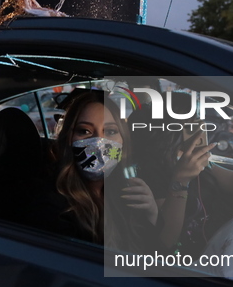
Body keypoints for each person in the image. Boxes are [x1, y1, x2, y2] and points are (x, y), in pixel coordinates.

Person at [132, 92, 233, 258]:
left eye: (197, 118)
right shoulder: (152, 170)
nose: (200, 125)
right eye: (191, 120)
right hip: (200, 259)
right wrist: (181, 181)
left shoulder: (192, 159)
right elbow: (166, 238)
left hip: (231, 243)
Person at [28, 90, 160, 253]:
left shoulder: (126, 193)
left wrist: (151, 215)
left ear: (123, 139)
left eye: (110, 131)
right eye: (84, 131)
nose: (99, 142)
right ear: (69, 139)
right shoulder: (52, 204)